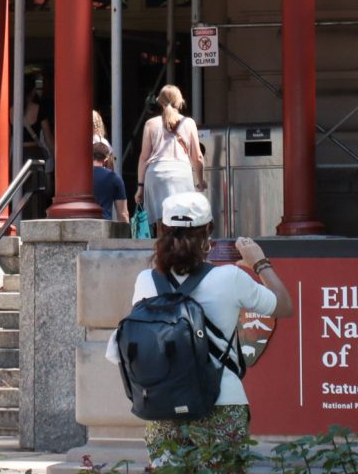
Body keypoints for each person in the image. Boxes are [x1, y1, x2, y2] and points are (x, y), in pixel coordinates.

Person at [106, 191, 289, 473]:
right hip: (222, 403)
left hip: (162, 408)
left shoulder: (146, 281)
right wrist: (259, 262)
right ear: (209, 232)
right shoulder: (230, 277)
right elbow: (284, 306)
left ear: (161, 230)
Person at [138, 85, 203, 224]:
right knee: (182, 219)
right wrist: (201, 181)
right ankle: (178, 244)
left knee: (160, 219)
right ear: (180, 101)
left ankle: (162, 243)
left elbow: (144, 158)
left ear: (160, 102)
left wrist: (140, 187)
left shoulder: (150, 124)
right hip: (181, 173)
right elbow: (197, 157)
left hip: (155, 174)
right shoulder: (189, 123)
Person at [92, 138, 130, 223]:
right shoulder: (114, 178)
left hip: (82, 225)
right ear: (106, 158)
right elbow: (123, 213)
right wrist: (127, 234)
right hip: (104, 225)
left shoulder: (82, 177)